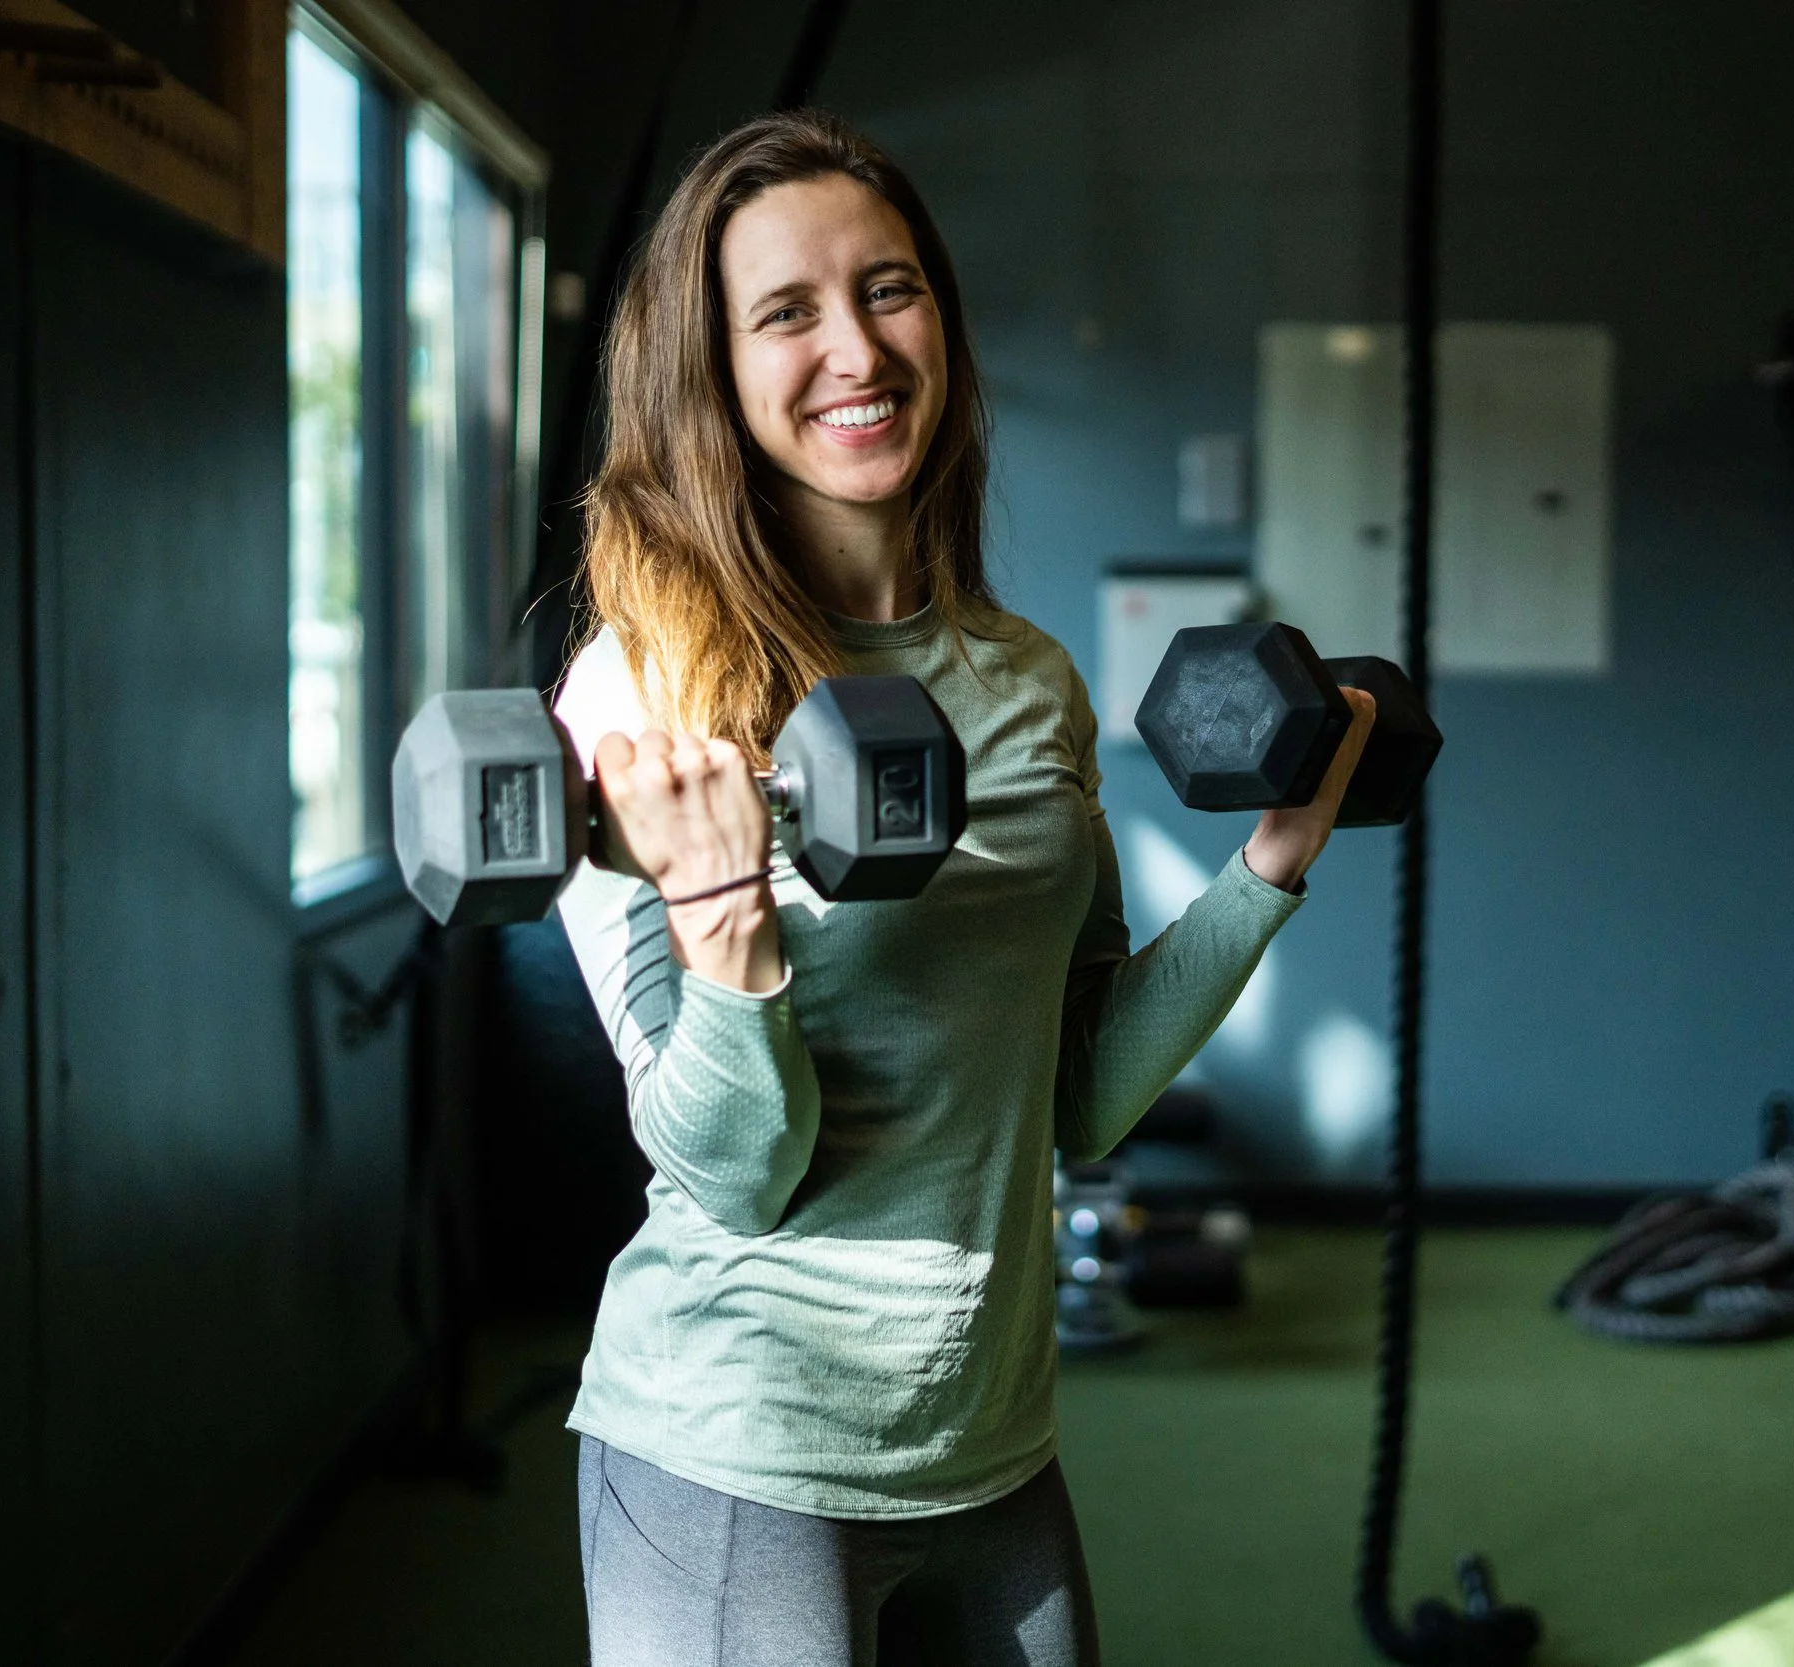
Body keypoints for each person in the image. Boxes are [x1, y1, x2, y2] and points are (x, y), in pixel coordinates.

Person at [550, 108, 1374, 1667]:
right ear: (711, 372)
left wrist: (1276, 860)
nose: (856, 349)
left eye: (890, 289)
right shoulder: (641, 694)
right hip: (737, 1442)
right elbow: (732, 1170)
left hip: (991, 1440)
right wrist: (726, 930)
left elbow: (1070, 1093)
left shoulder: (1026, 678)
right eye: (785, 312)